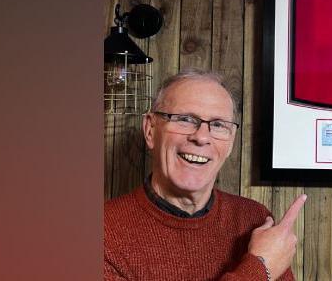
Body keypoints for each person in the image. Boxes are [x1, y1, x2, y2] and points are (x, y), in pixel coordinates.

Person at [105, 69, 306, 280]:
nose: (201, 137)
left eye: (218, 125)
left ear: (231, 142)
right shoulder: (103, 232)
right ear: (150, 130)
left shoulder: (254, 219)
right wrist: (260, 268)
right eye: (185, 119)